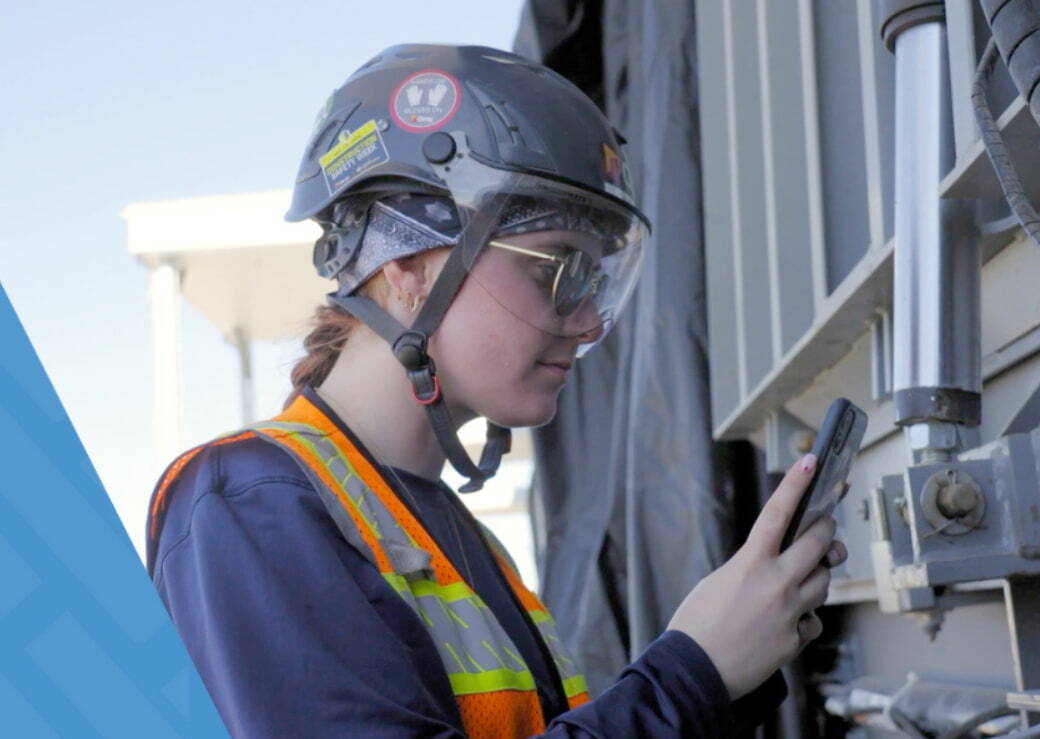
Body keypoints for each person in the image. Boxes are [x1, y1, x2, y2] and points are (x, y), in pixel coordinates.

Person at [145, 44, 846, 738]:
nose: (590, 318)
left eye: (598, 280)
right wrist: (694, 670)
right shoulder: (244, 501)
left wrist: (730, 668)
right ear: (409, 265)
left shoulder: (455, 533)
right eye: (558, 270)